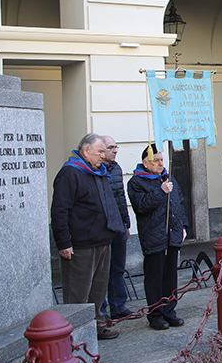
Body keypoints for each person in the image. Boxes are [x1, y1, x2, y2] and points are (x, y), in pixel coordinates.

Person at [51, 134, 124, 340]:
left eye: (104, 151)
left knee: (98, 291)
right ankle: (75, 333)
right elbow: (60, 210)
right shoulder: (70, 174)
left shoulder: (98, 172)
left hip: (102, 241)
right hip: (81, 245)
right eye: (100, 151)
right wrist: (64, 241)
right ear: (86, 151)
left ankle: (97, 325)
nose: (103, 155)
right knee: (78, 292)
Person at [127, 144, 189, 330]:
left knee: (170, 276)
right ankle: (155, 315)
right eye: (157, 160)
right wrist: (160, 191)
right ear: (146, 163)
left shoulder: (169, 179)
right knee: (155, 277)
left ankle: (170, 311)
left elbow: (179, 203)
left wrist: (183, 225)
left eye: (162, 160)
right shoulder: (136, 182)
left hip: (172, 235)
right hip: (154, 236)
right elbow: (141, 206)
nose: (161, 163)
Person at [101, 135, 133, 320]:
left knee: (117, 268)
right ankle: (102, 310)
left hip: (118, 225)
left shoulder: (116, 168)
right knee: (102, 271)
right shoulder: (95, 169)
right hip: (104, 227)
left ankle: (118, 306)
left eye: (116, 147)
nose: (114, 150)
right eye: (111, 147)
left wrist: (126, 224)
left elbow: (121, 198)